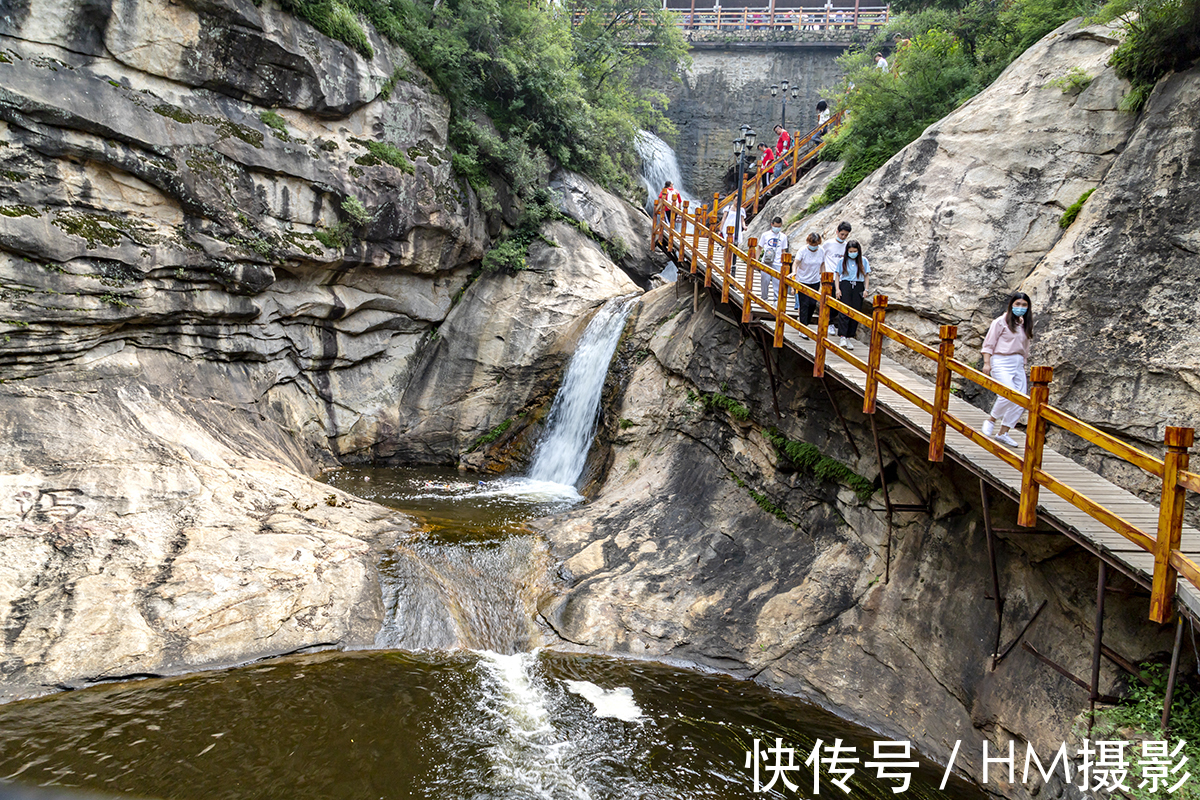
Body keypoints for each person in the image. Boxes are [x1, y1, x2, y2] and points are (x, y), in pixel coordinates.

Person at [981, 292, 1035, 449]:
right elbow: (989, 344)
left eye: (1024, 305)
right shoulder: (1000, 322)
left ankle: (1003, 433)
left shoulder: (1025, 323)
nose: (1020, 308)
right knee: (1007, 393)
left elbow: (1025, 347)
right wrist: (987, 363)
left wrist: (1023, 364)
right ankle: (991, 420)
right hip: (1001, 360)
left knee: (1021, 399)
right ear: (1012, 305)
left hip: (1018, 362)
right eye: (1017, 304)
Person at [834, 240, 870, 350]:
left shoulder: (863, 261)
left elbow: (866, 275)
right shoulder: (842, 261)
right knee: (844, 311)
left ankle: (850, 336)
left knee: (855, 312)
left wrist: (866, 289)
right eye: (850, 251)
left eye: (855, 251)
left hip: (858, 285)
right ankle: (842, 336)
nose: (852, 253)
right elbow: (837, 275)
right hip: (845, 285)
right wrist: (837, 289)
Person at [823, 221, 853, 333]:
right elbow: (822, 256)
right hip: (829, 275)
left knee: (839, 300)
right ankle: (829, 323)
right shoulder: (828, 244)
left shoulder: (847, 246)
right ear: (837, 232)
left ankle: (832, 322)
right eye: (842, 234)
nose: (843, 237)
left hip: (841, 277)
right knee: (829, 298)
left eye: (846, 235)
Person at [792, 231, 826, 325]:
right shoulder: (803, 250)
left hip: (815, 281)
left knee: (812, 304)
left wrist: (824, 277)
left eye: (815, 244)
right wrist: (794, 272)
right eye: (811, 244)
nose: (813, 246)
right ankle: (803, 326)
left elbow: (822, 264)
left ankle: (806, 322)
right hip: (802, 280)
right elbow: (796, 263)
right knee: (804, 304)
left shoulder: (821, 251)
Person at [758, 216, 789, 302]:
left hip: (778, 262)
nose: (777, 228)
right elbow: (760, 248)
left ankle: (776, 300)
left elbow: (784, 250)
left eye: (779, 227)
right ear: (772, 224)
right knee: (765, 280)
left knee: (777, 282)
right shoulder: (765, 234)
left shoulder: (783, 237)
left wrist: (784, 263)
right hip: (766, 260)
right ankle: (764, 297)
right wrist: (756, 260)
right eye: (776, 226)